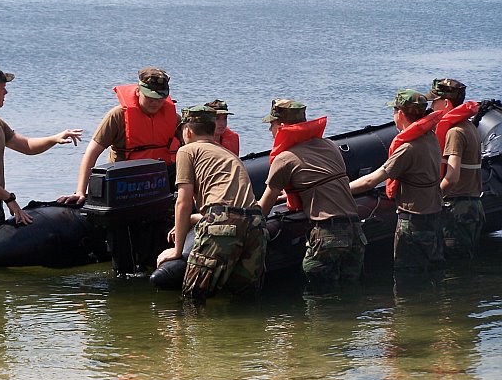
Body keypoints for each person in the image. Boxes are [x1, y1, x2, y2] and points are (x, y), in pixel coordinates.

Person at [0, 64, 82, 268]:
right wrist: (9, 198)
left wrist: (54, 138)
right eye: (2, 87)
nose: (6, 92)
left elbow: (26, 146)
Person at [156, 106, 268, 301]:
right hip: (256, 224)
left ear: (187, 131)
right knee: (245, 300)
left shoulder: (187, 150)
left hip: (222, 224)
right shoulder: (228, 154)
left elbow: (183, 201)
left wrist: (177, 250)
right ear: (212, 129)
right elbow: (233, 206)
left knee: (193, 298)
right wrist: (194, 219)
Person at [257, 99, 366, 284]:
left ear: (281, 126)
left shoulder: (284, 159)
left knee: (319, 295)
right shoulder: (330, 146)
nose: (270, 130)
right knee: (350, 292)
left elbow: (263, 209)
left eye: (272, 125)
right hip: (356, 232)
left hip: (327, 234)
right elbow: (320, 181)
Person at [349, 89, 444, 272]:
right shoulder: (430, 137)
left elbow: (371, 181)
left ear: (400, 114)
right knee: (432, 271)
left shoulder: (408, 148)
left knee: (408, 275)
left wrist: (340, 189)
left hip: (414, 221)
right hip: (433, 216)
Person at [58, 67, 179, 205]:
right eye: (150, 98)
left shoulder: (173, 119)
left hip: (158, 182)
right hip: (124, 184)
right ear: (138, 91)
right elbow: (91, 153)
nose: (155, 103)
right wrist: (80, 191)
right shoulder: (117, 116)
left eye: (160, 98)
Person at [426, 78, 485, 259]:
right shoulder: (470, 127)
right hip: (473, 206)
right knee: (464, 262)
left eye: (434, 102)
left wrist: (432, 199)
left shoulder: (454, 132)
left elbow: (452, 177)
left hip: (457, 209)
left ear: (445, 103)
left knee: (453, 265)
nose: (431, 107)